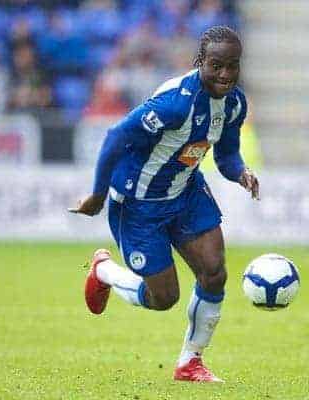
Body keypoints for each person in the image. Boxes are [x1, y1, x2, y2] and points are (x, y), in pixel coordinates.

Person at [69, 25, 259, 382]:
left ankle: (191, 362)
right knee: (163, 298)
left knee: (214, 271)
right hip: (139, 204)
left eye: (232, 66)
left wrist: (241, 173)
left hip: (185, 191)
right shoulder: (175, 103)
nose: (224, 74)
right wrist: (97, 194)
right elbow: (115, 137)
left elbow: (227, 154)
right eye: (216, 65)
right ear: (200, 61)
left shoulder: (234, 104)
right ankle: (104, 271)